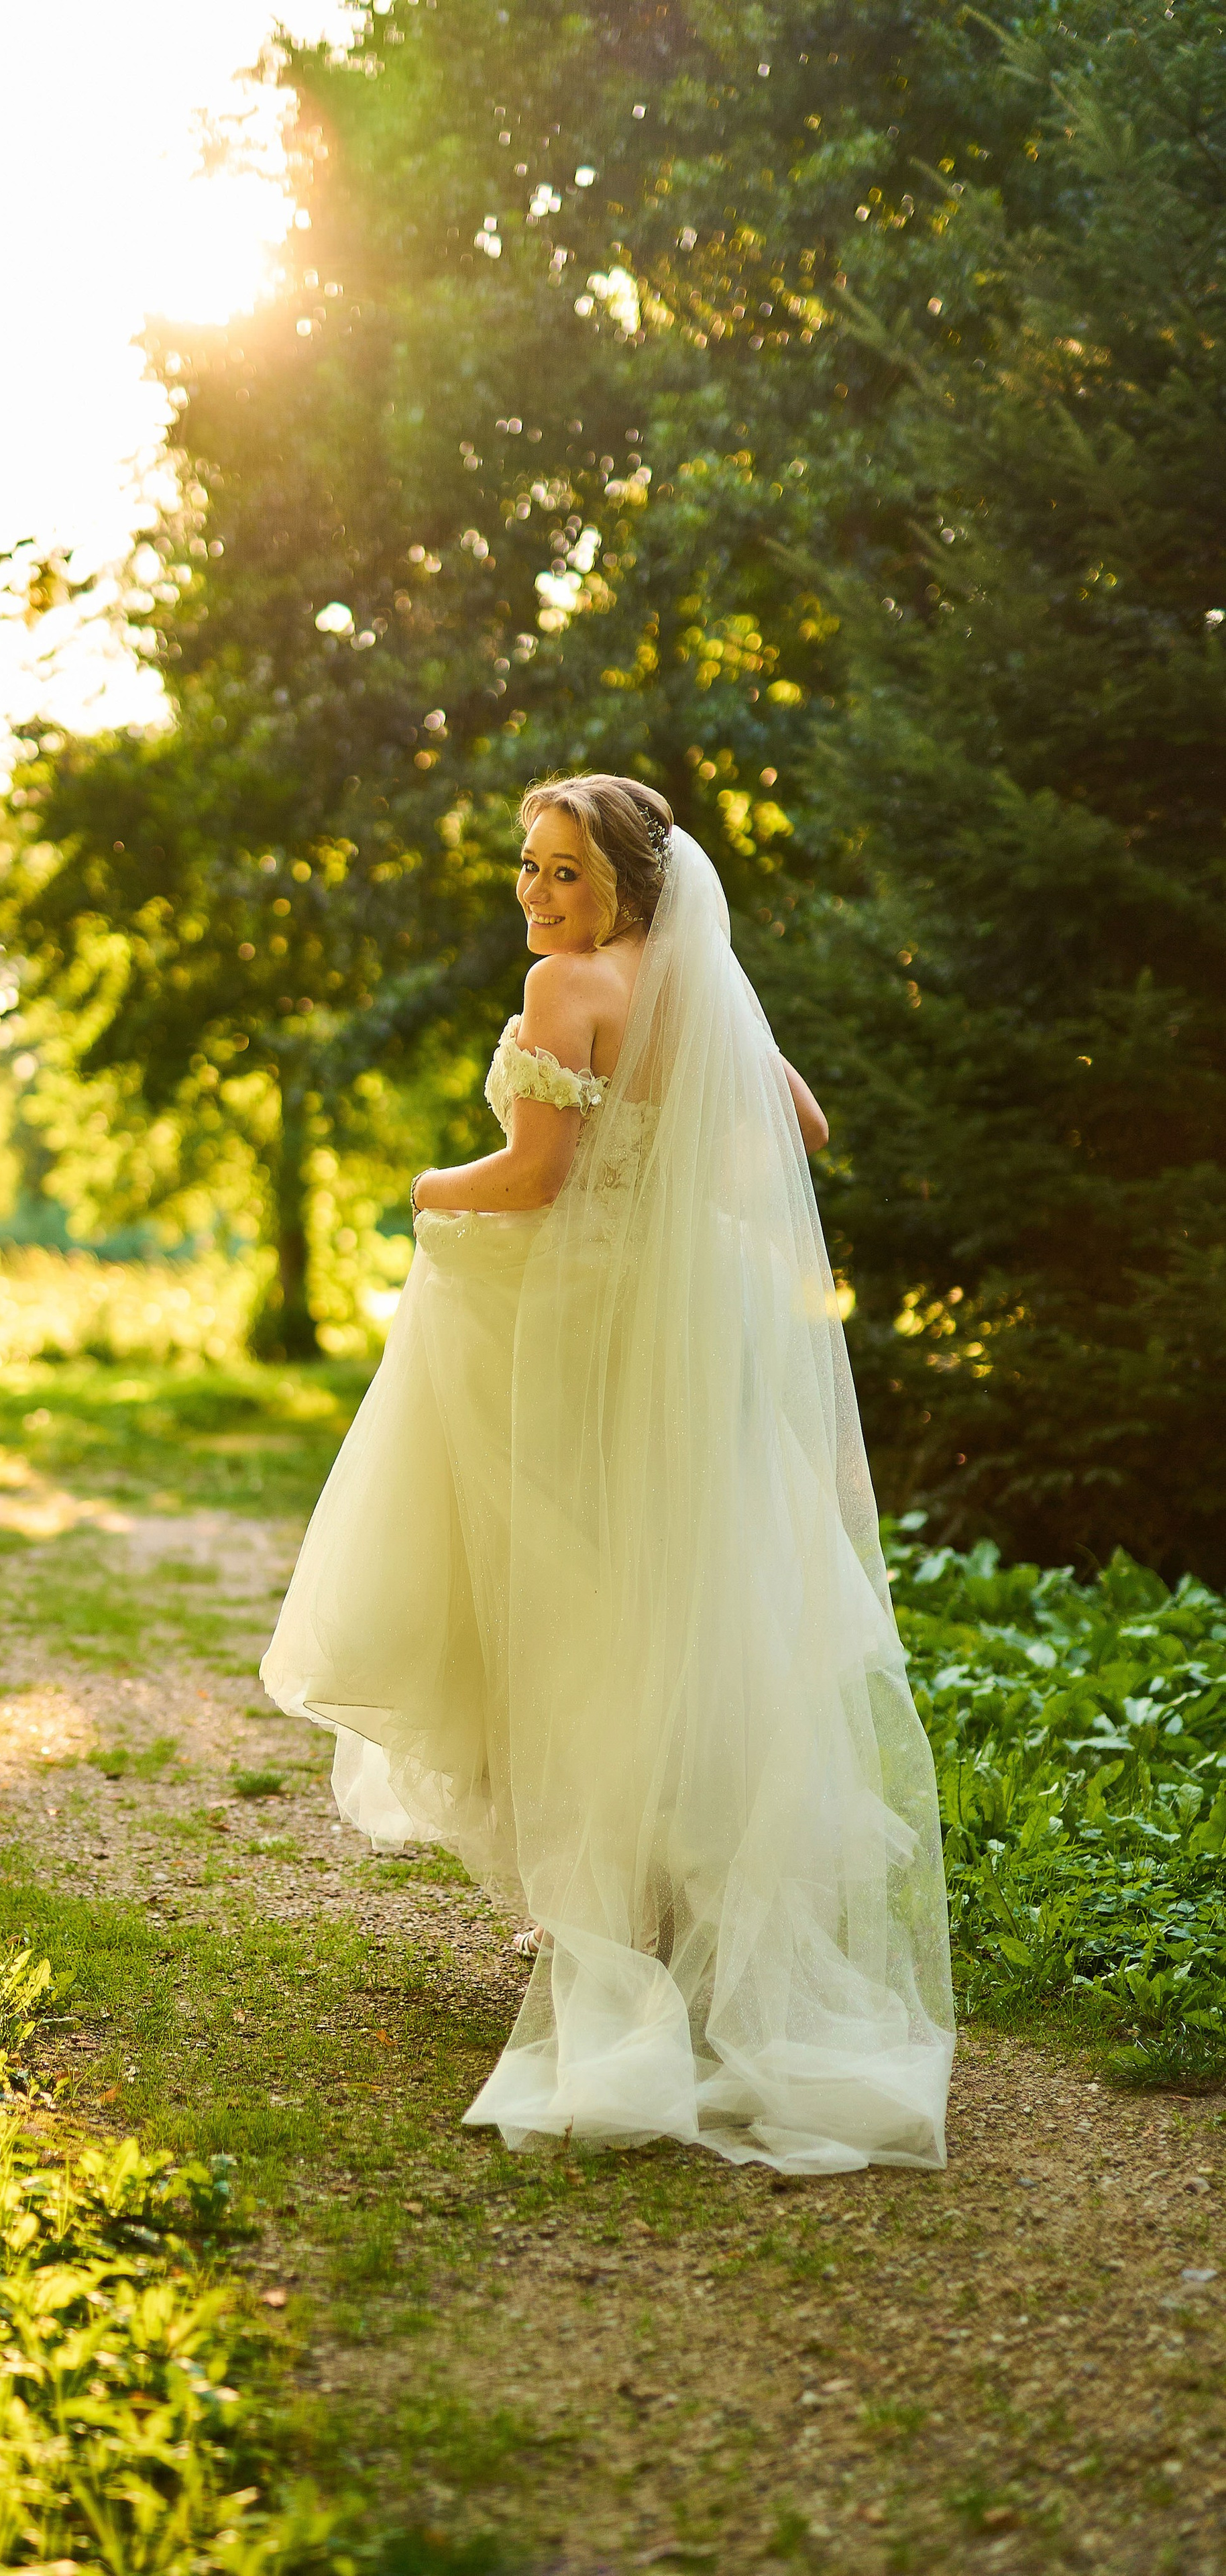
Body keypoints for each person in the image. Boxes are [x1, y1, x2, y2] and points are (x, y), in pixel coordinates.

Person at [261, 773, 954, 2174]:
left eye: (565, 871)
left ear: (624, 881)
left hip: (571, 1325)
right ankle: (676, 1898)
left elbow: (532, 1178)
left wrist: (423, 1193)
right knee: (680, 1586)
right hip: (681, 1328)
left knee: (565, 1591)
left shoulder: (565, 986)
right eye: (529, 868)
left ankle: (611, 1910)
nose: (538, 894)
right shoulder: (694, 983)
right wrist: (684, 1187)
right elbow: (798, 1131)